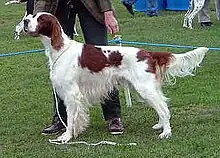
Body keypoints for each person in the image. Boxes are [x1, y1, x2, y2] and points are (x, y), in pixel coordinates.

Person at [33, 0, 124, 135]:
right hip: (59, 6)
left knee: (104, 63)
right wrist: (36, 17)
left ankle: (113, 117)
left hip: (91, 5)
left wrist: (108, 12)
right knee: (60, 67)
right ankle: (61, 119)